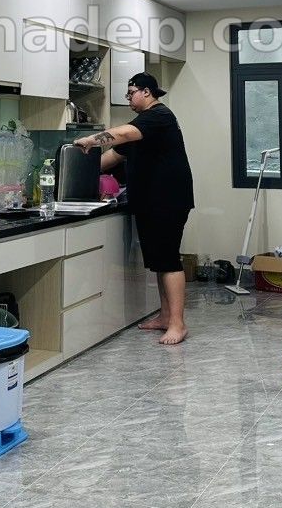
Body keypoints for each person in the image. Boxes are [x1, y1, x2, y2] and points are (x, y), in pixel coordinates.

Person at [74, 72, 194, 344]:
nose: (128, 99)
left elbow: (124, 133)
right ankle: (165, 317)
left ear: (147, 92)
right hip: (151, 201)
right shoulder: (141, 127)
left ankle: (178, 324)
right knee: (159, 262)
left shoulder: (159, 116)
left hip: (168, 200)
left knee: (169, 260)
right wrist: (73, 170)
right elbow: (112, 158)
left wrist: (92, 139)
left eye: (131, 93)